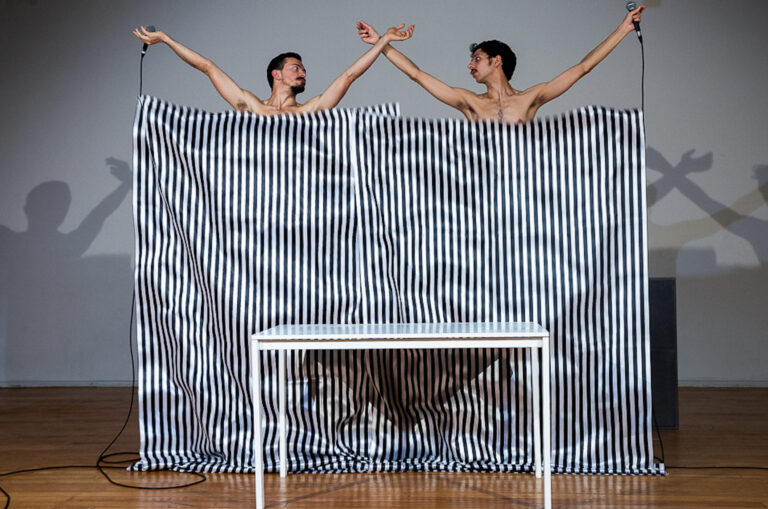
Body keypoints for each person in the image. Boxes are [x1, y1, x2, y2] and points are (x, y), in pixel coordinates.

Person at [356, 6, 644, 124]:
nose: (470, 66)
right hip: (481, 196)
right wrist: (382, 42)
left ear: (497, 61)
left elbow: (582, 68)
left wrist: (623, 30)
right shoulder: (470, 102)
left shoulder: (530, 99)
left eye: (477, 59)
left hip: (522, 194)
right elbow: (417, 74)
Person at [132, 23, 414, 115]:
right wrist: (167, 39)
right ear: (276, 74)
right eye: (296, 68)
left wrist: (383, 41)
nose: (303, 73)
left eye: (303, 70)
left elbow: (349, 76)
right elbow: (207, 67)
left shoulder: (310, 110)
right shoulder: (251, 105)